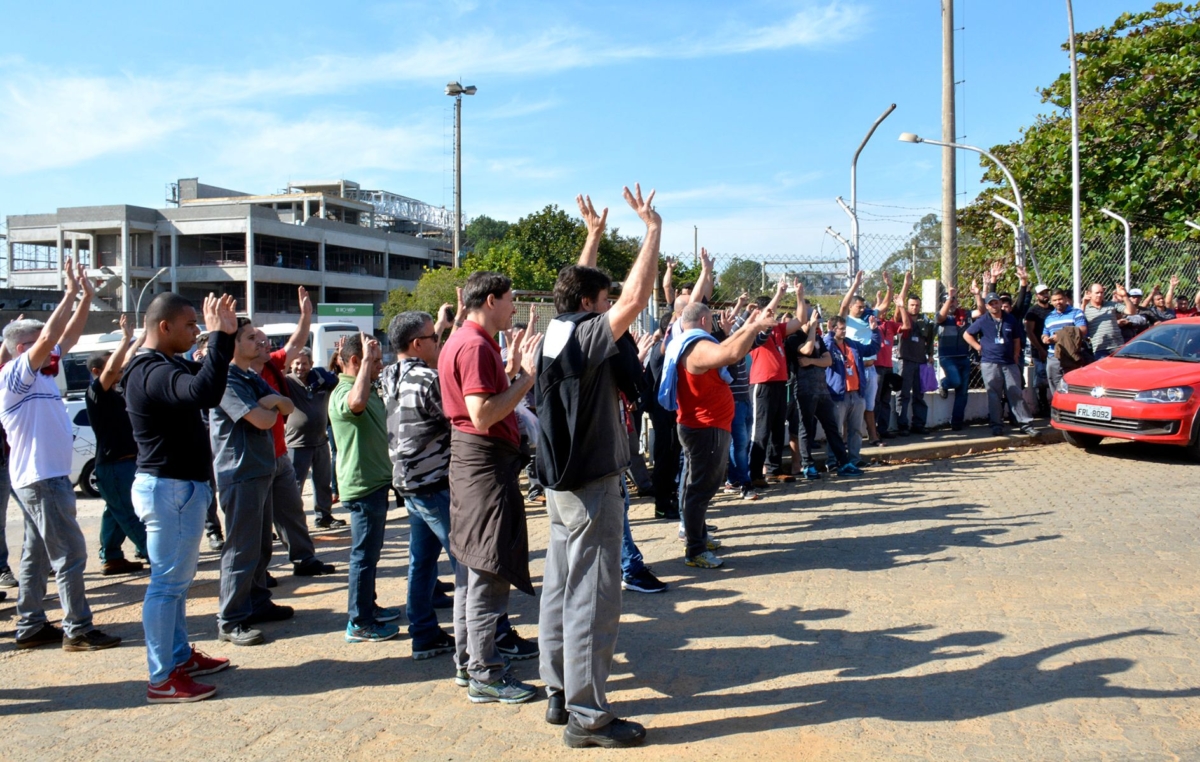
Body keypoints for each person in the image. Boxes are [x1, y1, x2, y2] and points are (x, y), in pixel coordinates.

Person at [532, 188, 659, 748]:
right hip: (590, 487)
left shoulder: (555, 332)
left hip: (562, 486)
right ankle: (589, 717)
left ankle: (559, 693)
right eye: (601, 300)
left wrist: (594, 238)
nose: (611, 307)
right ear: (591, 304)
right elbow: (634, 296)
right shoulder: (585, 333)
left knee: (560, 589)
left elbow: (579, 292)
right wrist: (651, 229)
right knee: (594, 598)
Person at [382, 309, 535, 664]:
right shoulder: (426, 381)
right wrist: (517, 376)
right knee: (474, 565)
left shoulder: (390, 376)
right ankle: (493, 638)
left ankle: (423, 634)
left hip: (410, 483)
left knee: (421, 564)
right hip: (436, 483)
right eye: (435, 337)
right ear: (417, 344)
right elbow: (468, 414)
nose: (441, 341)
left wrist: (506, 371)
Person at [0, 259, 120, 652]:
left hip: (43, 476)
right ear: (23, 349)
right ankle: (78, 629)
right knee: (70, 553)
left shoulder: (43, 374)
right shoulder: (15, 374)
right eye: (41, 345)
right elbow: (53, 332)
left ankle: (31, 624)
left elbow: (67, 333)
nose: (54, 350)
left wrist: (85, 295)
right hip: (41, 477)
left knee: (36, 554)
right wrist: (68, 293)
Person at [125, 290, 239, 702]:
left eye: (198, 324)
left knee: (175, 583)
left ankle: (177, 656)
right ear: (164, 326)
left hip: (177, 487)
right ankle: (162, 677)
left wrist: (217, 339)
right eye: (190, 325)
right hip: (169, 488)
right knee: (166, 586)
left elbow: (198, 385)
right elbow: (203, 393)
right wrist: (220, 339)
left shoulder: (162, 365)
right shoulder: (150, 370)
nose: (195, 331)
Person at [438, 269, 542, 705]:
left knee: (470, 570)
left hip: (472, 466)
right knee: (486, 571)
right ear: (491, 300)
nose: (514, 307)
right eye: (510, 299)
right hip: (482, 468)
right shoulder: (475, 344)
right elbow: (482, 415)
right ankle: (485, 672)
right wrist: (527, 379)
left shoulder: (462, 340)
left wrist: (510, 371)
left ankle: (470, 663)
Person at [660, 301, 777, 570]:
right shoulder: (697, 348)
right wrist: (755, 326)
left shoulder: (690, 341)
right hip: (705, 429)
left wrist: (750, 326)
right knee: (699, 490)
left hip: (705, 427)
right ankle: (695, 550)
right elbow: (730, 354)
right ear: (704, 322)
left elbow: (727, 346)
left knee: (698, 487)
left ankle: (698, 537)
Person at [211, 318, 296, 647]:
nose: (259, 344)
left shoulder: (250, 376)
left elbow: (286, 406)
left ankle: (257, 601)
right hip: (240, 472)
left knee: (260, 547)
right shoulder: (226, 380)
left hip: (260, 470)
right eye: (250, 339)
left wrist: (271, 403)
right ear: (233, 345)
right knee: (240, 549)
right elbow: (262, 420)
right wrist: (270, 407)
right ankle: (230, 619)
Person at [251, 289, 337, 576]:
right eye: (256, 340)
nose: (265, 344)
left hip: (279, 454)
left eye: (265, 340)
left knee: (292, 511)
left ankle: (304, 559)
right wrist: (277, 403)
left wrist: (306, 316)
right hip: (253, 459)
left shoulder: (272, 365)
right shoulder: (234, 375)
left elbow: (295, 344)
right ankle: (258, 574)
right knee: (258, 521)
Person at [328, 333, 402, 642]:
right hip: (362, 486)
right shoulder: (345, 391)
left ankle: (368, 607)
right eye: (374, 360)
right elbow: (355, 403)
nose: (380, 365)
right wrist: (362, 365)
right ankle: (359, 622)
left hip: (375, 482)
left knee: (369, 555)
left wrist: (361, 362)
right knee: (363, 556)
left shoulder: (363, 384)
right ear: (356, 362)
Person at [85, 313, 148, 575]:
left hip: (127, 462)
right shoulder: (96, 393)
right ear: (96, 372)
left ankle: (111, 557)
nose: (120, 372)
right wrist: (124, 338)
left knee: (115, 512)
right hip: (113, 465)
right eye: (115, 369)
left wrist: (141, 337)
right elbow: (113, 368)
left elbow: (125, 362)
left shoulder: (118, 391)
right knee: (131, 513)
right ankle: (154, 553)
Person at [789, 308, 861, 479]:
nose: (815, 324)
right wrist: (812, 330)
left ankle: (843, 463)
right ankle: (808, 465)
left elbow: (827, 360)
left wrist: (812, 361)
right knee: (806, 428)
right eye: (812, 321)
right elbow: (805, 351)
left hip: (822, 390)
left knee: (832, 428)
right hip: (804, 390)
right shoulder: (793, 338)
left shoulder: (818, 338)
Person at [749, 278, 802, 485]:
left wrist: (799, 295)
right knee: (761, 431)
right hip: (762, 384)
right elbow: (765, 315)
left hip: (780, 383)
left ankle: (774, 468)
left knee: (778, 429)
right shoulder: (754, 329)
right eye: (769, 312)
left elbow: (800, 320)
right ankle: (754, 473)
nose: (773, 315)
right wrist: (779, 293)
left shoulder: (779, 329)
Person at [965, 293, 1037, 437]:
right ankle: (997, 425)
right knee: (994, 394)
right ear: (987, 306)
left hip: (1009, 363)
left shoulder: (1010, 319)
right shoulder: (983, 320)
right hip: (990, 363)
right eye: (991, 304)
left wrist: (1016, 355)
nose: (994, 306)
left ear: (999, 303)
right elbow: (967, 334)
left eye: (996, 303)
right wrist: (978, 347)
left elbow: (1016, 339)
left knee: (1015, 392)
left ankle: (1026, 424)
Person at [284, 348, 341, 528]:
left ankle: (324, 516)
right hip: (297, 443)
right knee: (295, 486)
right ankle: (292, 522)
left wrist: (339, 357)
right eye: (297, 363)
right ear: (291, 364)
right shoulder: (287, 382)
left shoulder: (320, 380)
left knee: (323, 482)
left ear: (311, 364)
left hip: (320, 440)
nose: (301, 367)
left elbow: (338, 378)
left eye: (304, 363)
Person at [824, 314, 880, 467]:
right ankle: (832, 461)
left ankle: (854, 459)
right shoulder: (829, 344)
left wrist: (875, 332)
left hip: (856, 393)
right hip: (838, 395)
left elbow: (872, 349)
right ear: (833, 328)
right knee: (835, 430)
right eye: (841, 329)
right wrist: (829, 333)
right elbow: (826, 347)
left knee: (855, 430)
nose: (844, 332)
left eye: (844, 328)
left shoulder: (852, 345)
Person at [839, 271, 883, 448]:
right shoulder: (845, 320)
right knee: (848, 406)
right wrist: (855, 285)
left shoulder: (869, 320)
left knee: (869, 405)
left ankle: (873, 437)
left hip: (870, 369)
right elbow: (843, 306)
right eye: (859, 306)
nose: (863, 309)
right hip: (853, 370)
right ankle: (843, 441)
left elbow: (884, 306)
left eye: (864, 306)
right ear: (851, 306)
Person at [894, 272, 934, 435]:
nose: (914, 307)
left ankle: (919, 424)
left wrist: (930, 354)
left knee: (919, 395)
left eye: (917, 305)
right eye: (911, 305)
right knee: (903, 395)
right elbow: (898, 310)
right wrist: (906, 285)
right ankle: (902, 426)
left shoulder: (925, 321)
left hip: (921, 362)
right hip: (906, 361)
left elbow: (930, 339)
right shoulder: (903, 318)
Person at [935, 288, 972, 431]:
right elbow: (940, 317)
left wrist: (978, 293)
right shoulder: (941, 317)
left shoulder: (964, 314)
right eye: (948, 301)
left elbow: (981, 311)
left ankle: (956, 422)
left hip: (964, 357)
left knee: (962, 392)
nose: (951, 303)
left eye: (954, 300)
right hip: (947, 357)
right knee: (955, 381)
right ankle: (944, 383)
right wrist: (949, 298)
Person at [1042, 289, 1088, 399]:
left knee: (1073, 384)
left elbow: (1082, 330)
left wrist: (1061, 337)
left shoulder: (1076, 313)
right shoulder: (1049, 317)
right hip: (1053, 356)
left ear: (1066, 299)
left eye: (1060, 299)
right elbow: (1045, 333)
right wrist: (1045, 338)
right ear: (1051, 302)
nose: (1058, 302)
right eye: (1055, 300)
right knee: (1054, 385)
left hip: (1071, 355)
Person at [1024, 283, 1054, 417]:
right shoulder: (1032, 312)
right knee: (1041, 379)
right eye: (1042, 293)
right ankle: (1043, 406)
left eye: (1047, 292)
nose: (1045, 295)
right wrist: (1040, 349)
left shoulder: (1053, 309)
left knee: (1054, 378)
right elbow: (1030, 332)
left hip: (1054, 349)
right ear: (1037, 296)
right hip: (1039, 350)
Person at [1084, 283, 1125, 360]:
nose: (1099, 295)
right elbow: (1080, 322)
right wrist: (1083, 304)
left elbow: (1131, 311)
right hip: (1100, 349)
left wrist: (1125, 296)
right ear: (1089, 293)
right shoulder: (1085, 308)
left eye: (1101, 292)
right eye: (1097, 293)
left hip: (1117, 345)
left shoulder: (1111, 304)